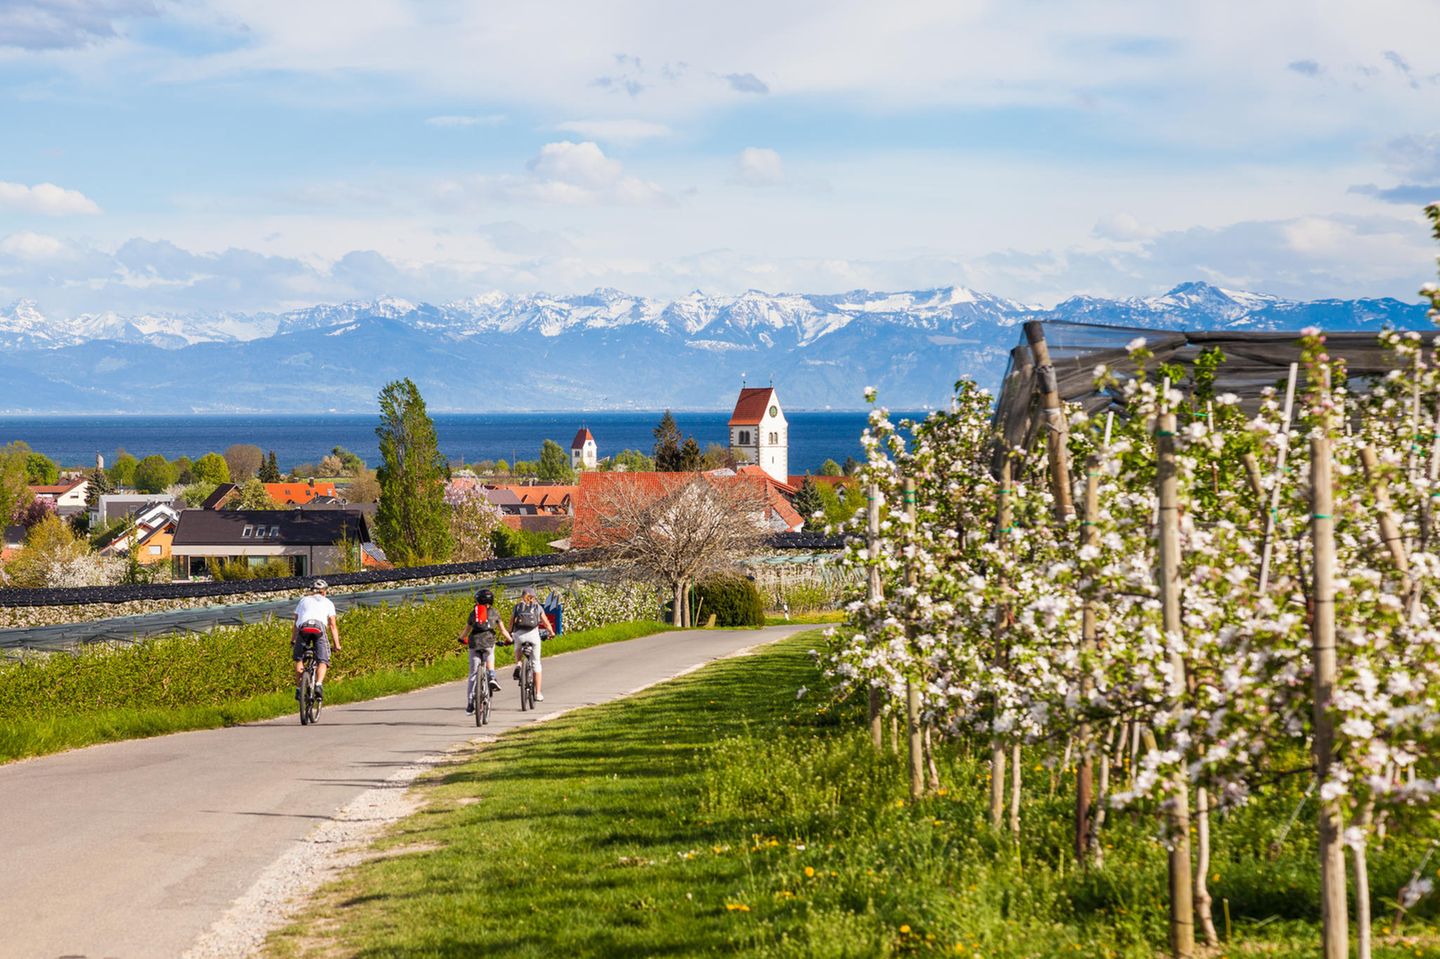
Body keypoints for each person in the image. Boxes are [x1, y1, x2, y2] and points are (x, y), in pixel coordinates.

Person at [458, 587, 512, 713]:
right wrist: (510, 639)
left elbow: (466, 630)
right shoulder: (495, 612)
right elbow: (503, 630)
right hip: (488, 641)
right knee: (489, 654)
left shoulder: (473, 613)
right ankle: (492, 675)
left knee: (473, 674)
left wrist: (461, 638)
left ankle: (470, 703)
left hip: (474, 643)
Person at [292, 579, 341, 701]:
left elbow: (295, 623)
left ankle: (299, 689)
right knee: (323, 660)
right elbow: (332, 625)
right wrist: (337, 645)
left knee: (299, 659)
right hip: (319, 629)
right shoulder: (328, 602)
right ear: (324, 592)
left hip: (304, 628)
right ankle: (318, 684)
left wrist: (293, 640)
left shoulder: (303, 600)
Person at [510, 586, 555, 702]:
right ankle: (538, 693)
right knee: (536, 664)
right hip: (533, 636)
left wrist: (510, 633)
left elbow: (511, 623)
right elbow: (546, 623)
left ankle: (519, 664)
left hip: (519, 635)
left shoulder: (517, 607)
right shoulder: (537, 607)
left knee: (517, 647)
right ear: (533, 597)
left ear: (522, 596)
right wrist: (551, 632)